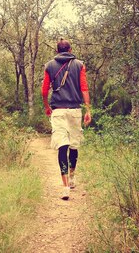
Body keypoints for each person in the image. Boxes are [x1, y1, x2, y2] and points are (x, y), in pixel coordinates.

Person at [41, 39, 92, 200]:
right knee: (74, 145)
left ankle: (65, 188)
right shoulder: (79, 64)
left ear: (57, 50)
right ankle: (72, 177)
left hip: (58, 111)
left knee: (62, 147)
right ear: (70, 49)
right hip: (75, 110)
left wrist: (47, 107)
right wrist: (88, 109)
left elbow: (44, 91)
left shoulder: (50, 66)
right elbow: (84, 88)